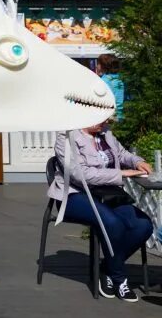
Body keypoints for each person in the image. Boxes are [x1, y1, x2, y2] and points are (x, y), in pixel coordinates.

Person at [49, 120, 152, 302]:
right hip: (75, 195)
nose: (105, 122)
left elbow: (122, 154)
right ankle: (120, 280)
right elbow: (80, 175)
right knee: (113, 223)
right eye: (102, 118)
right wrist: (121, 174)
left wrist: (138, 162)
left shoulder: (105, 133)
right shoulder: (66, 137)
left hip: (107, 194)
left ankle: (106, 268)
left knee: (143, 225)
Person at [97, 54, 125, 121]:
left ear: (103, 66)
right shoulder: (119, 79)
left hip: (108, 116)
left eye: (98, 63)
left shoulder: (104, 81)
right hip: (120, 114)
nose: (96, 66)